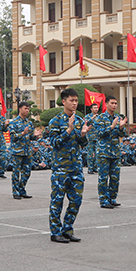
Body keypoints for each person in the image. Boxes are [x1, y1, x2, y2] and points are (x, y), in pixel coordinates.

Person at [46, 88, 90, 243]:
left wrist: (83, 135)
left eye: (76, 100)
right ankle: (55, 232)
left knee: (76, 200)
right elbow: (54, 143)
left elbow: (82, 144)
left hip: (76, 168)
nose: (75, 103)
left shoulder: (79, 120)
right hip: (61, 168)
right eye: (72, 100)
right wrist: (68, 130)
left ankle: (67, 230)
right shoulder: (55, 121)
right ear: (63, 101)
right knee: (57, 201)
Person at [94, 96, 128, 209]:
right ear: (106, 104)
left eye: (116, 103)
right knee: (103, 177)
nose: (114, 105)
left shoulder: (118, 118)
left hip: (115, 152)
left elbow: (122, 135)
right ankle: (103, 200)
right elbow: (99, 134)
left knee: (115, 177)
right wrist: (112, 126)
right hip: (104, 152)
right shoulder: (100, 118)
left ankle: (112, 198)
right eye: (112, 103)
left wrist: (121, 127)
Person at [8, 101, 39, 200]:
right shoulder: (14, 122)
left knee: (27, 172)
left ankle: (22, 189)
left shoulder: (29, 123)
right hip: (17, 151)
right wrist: (22, 133)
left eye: (28, 109)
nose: (27, 110)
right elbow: (12, 137)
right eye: (25, 108)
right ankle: (16, 191)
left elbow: (30, 137)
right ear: (20, 109)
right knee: (16, 172)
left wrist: (35, 136)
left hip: (27, 151)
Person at [83, 102, 100, 174]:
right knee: (90, 153)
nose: (96, 109)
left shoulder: (99, 116)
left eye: (97, 108)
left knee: (97, 153)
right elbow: (85, 123)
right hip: (90, 138)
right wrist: (92, 118)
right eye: (94, 108)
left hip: (98, 137)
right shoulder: (88, 116)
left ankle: (95, 167)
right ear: (91, 109)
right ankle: (90, 168)